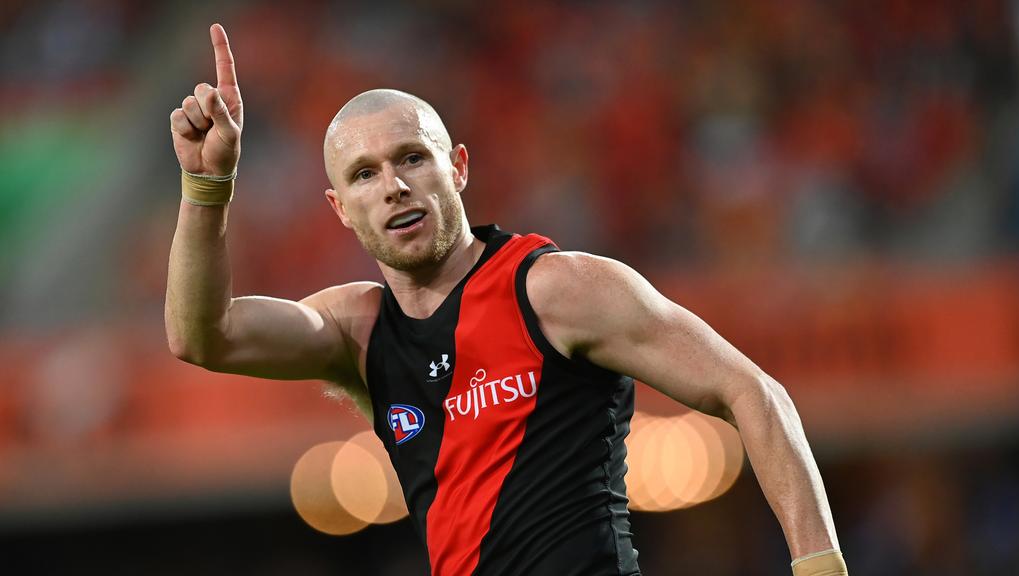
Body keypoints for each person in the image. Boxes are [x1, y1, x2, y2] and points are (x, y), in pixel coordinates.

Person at [166, 23, 848, 576]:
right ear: (340, 208)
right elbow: (203, 335)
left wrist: (818, 565)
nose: (394, 186)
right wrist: (207, 186)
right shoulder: (359, 329)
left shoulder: (556, 289)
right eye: (365, 175)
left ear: (458, 167)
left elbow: (753, 392)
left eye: (412, 158)